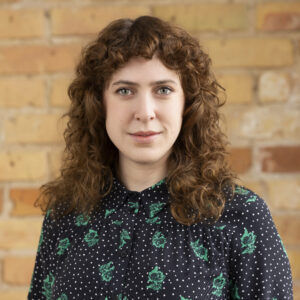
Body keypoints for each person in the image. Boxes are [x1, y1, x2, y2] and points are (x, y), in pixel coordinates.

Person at [28, 16, 293, 299]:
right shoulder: (66, 214)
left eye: (163, 90)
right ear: (99, 104)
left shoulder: (241, 216)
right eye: (125, 90)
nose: (145, 111)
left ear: (187, 104)